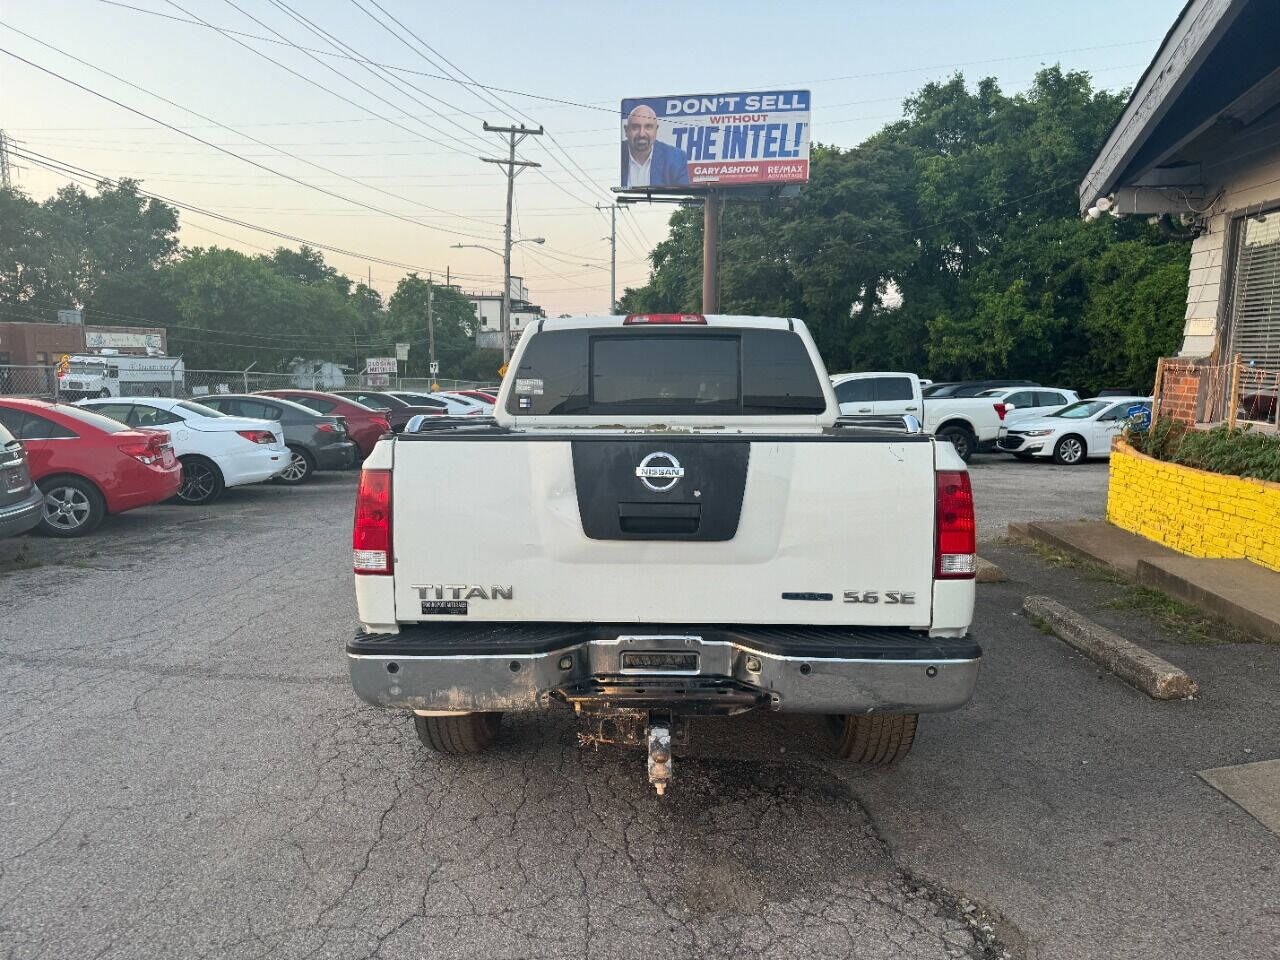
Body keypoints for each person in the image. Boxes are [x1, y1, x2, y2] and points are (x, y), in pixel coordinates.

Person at [621, 105, 689, 188]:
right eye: (635, 127)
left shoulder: (677, 159)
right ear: (626, 130)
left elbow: (683, 195)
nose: (642, 134)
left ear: (656, 130)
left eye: (648, 127)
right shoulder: (617, 153)